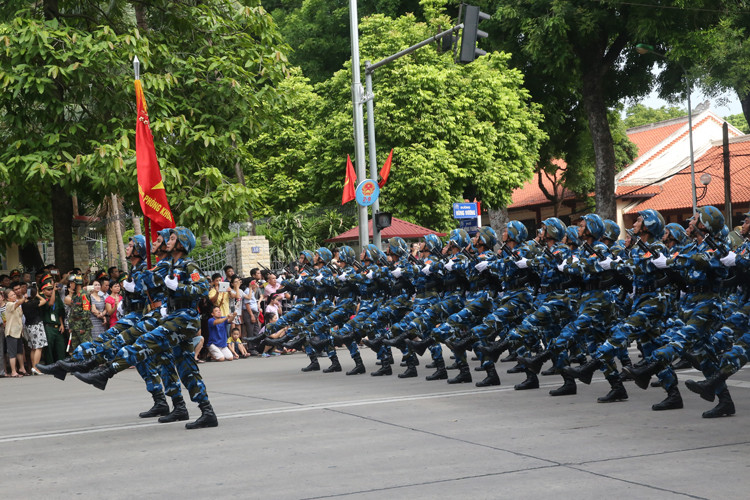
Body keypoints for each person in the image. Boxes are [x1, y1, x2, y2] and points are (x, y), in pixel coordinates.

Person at [18, 281, 49, 375]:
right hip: (36, 325)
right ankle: (36, 367)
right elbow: (44, 301)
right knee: (39, 347)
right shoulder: (34, 302)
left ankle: (33, 367)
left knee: (33, 348)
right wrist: (38, 295)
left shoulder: (24, 303)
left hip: (28, 326)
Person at [65, 275, 92, 352]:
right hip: (74, 325)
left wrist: (83, 327)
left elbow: (86, 312)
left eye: (71, 283)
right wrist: (70, 326)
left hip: (82, 325)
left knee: (86, 347)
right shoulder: (74, 295)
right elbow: (72, 311)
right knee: (76, 348)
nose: (70, 285)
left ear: (77, 284)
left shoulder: (84, 295)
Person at [4, 288, 27, 377]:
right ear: (7, 298)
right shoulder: (9, 304)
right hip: (11, 332)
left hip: (18, 332)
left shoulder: (16, 305)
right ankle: (13, 371)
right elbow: (18, 303)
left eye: (14, 294)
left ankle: (22, 368)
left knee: (19, 352)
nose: (14, 296)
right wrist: (24, 298)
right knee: (12, 353)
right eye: (12, 295)